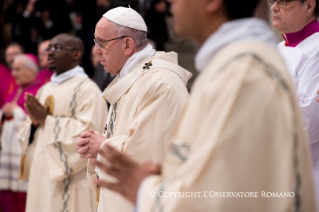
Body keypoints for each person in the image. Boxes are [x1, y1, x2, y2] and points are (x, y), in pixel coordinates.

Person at [92, 0, 317, 211]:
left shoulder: (243, 74)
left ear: (213, 2)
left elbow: (222, 197)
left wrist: (146, 190)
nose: (170, 2)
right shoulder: (233, 66)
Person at [75, 6, 192, 212]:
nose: (96, 50)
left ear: (127, 44)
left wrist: (103, 146)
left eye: (101, 42)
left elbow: (151, 155)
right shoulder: (133, 78)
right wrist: (97, 150)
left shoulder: (160, 82)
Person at [17, 33, 108, 212]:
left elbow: (89, 134)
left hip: (70, 179)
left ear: (76, 54)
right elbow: (29, 130)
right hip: (40, 175)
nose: (49, 53)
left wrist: (47, 120)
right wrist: (34, 123)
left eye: (57, 48)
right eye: (48, 48)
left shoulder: (88, 90)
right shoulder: (45, 89)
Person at [269, 0, 319, 207]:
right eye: (272, 1)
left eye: (283, 2)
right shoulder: (280, 47)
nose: (273, 7)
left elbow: (307, 123)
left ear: (308, 6)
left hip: (308, 171)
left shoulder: (316, 49)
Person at [0, 54, 43, 212]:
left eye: (17, 69)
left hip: (25, 151)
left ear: (31, 70)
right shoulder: (17, 89)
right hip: (8, 151)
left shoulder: (39, 91)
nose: (13, 73)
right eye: (12, 69)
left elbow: (38, 122)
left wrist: (16, 112)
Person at [0, 43, 24, 108]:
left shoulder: (28, 76)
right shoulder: (3, 76)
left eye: (16, 54)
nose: (12, 58)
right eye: (9, 55)